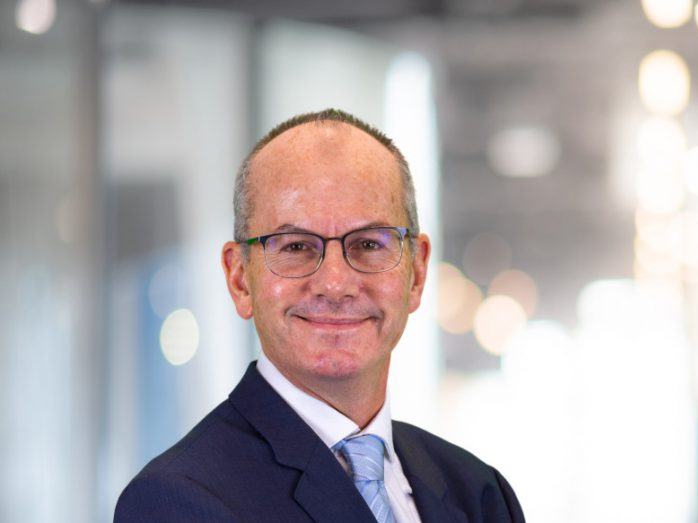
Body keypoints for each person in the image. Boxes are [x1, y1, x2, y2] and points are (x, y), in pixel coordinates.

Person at [114, 109, 524, 522]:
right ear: (240, 279)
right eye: (295, 246)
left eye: (368, 244)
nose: (335, 283)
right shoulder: (176, 502)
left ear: (416, 272)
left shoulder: (480, 495)